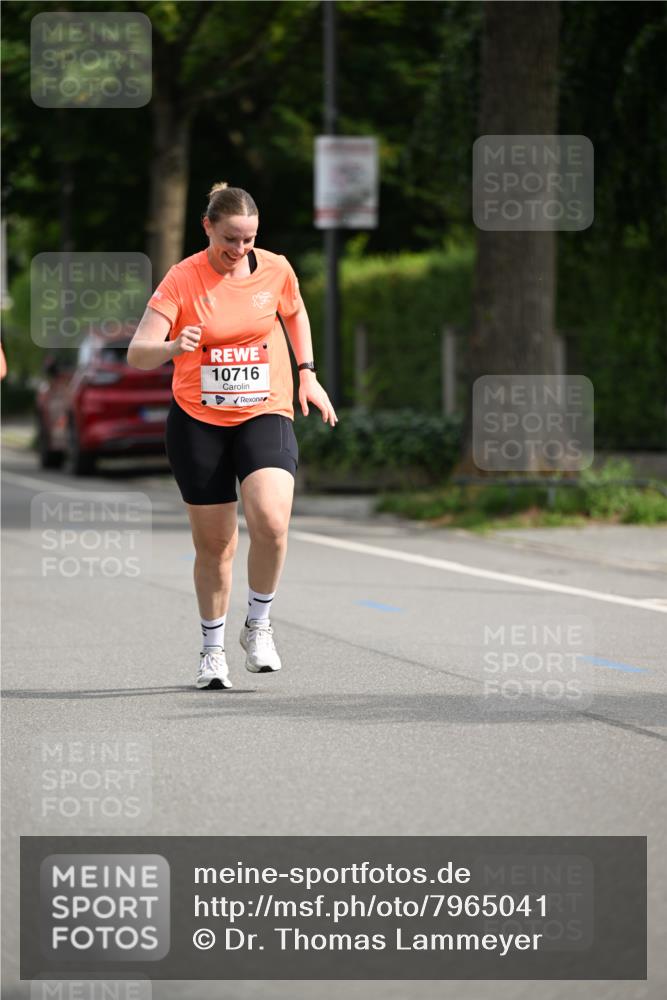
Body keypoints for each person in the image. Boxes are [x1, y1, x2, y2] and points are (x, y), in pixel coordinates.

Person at [127, 183, 337, 689]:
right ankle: (212, 650)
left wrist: (307, 372)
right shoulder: (182, 280)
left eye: (248, 240)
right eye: (229, 240)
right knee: (216, 544)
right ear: (207, 228)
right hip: (198, 420)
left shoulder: (276, 269)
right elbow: (138, 352)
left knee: (271, 519)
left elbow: (295, 312)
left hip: (264, 408)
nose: (239, 251)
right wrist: (175, 345)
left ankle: (259, 624)